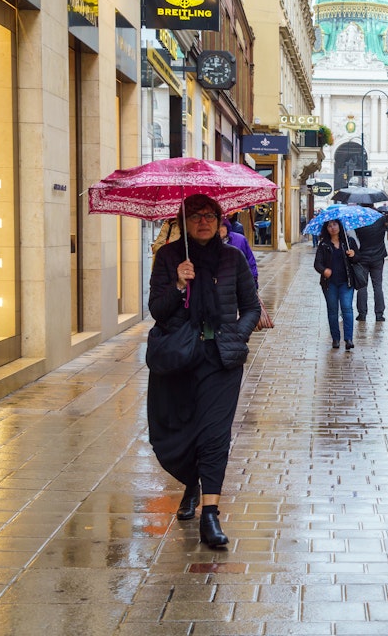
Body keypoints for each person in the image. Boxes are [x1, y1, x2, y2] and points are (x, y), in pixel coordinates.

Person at [147, 194, 260, 548]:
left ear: (220, 219)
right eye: (195, 216)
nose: (203, 222)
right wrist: (179, 284)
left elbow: (252, 308)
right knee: (173, 434)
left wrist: (235, 336)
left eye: (210, 215)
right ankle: (191, 484)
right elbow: (157, 311)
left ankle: (210, 514)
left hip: (220, 360)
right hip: (178, 360)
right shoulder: (168, 258)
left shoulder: (233, 258)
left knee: (214, 434)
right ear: (183, 221)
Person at [313, 219, 359, 350]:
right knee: (333, 311)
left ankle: (348, 339)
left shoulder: (349, 242)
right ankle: (336, 339)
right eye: (329, 226)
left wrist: (353, 255)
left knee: (347, 309)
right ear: (326, 229)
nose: (332, 228)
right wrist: (324, 270)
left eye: (335, 224)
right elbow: (317, 264)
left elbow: (357, 259)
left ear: (340, 226)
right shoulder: (324, 245)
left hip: (346, 282)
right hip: (330, 284)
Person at [353, 210, 388, 322]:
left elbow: (356, 237)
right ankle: (379, 314)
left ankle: (362, 313)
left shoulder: (359, 220)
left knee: (362, 286)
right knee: (378, 286)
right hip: (378, 257)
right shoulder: (381, 219)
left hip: (363, 257)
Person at [221, 217, 258, 288]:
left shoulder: (240, 239)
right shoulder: (210, 244)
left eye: (222, 225)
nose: (220, 229)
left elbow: (250, 262)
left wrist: (254, 283)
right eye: (217, 226)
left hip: (240, 282)